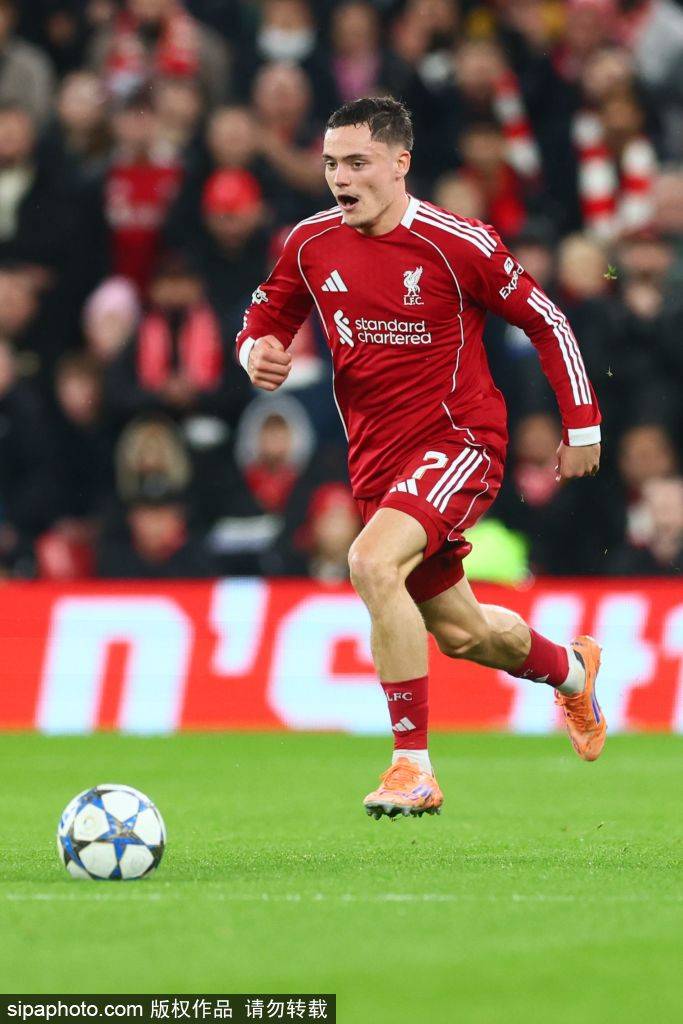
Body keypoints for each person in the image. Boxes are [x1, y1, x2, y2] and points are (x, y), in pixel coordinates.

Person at [235, 96, 605, 820]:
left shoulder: (456, 242)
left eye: (357, 163)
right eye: (331, 164)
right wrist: (254, 352)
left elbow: (546, 320)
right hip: (376, 462)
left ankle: (412, 767)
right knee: (463, 633)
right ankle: (572, 671)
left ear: (400, 163)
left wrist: (583, 425)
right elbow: (264, 316)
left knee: (371, 562)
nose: (340, 178)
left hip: (460, 441)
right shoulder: (310, 243)